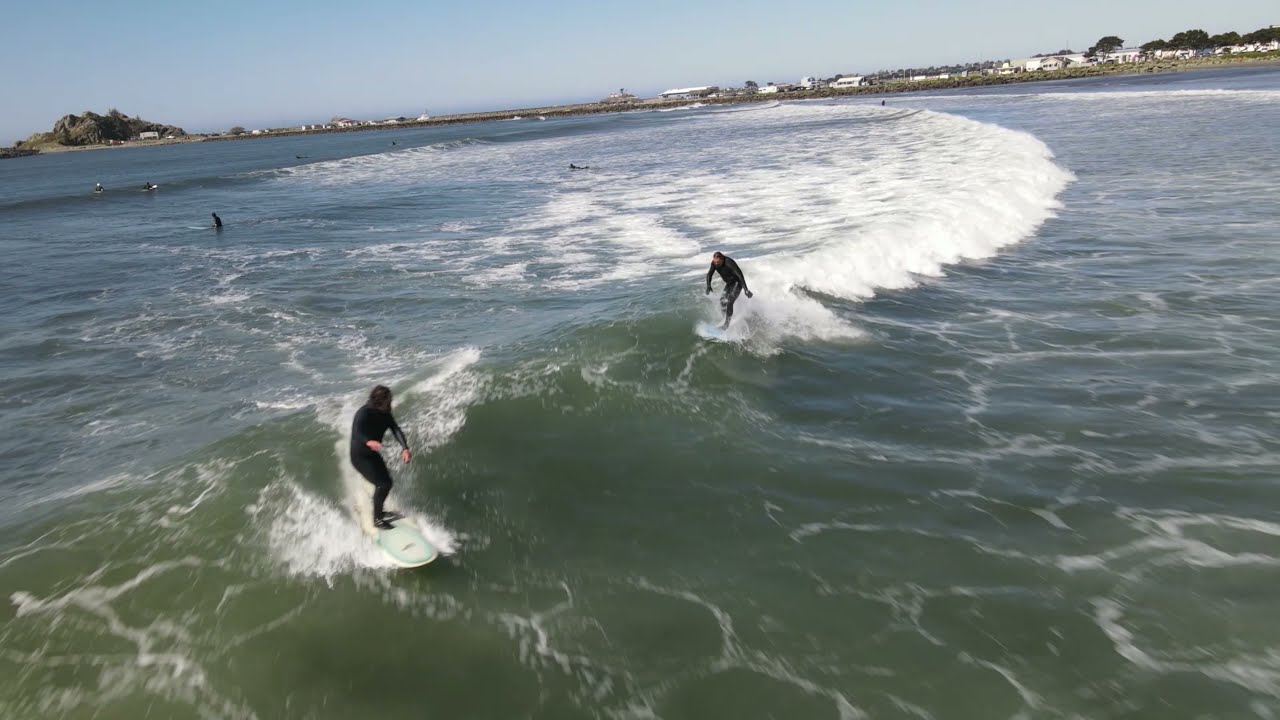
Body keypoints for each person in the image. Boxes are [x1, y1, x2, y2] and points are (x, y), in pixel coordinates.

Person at [350, 385, 412, 529]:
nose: (390, 404)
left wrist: (405, 448)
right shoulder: (363, 413)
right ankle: (377, 520)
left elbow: (395, 429)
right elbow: (357, 431)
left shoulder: (385, 413)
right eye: (388, 402)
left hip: (372, 455)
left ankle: (379, 512)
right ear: (379, 402)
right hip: (360, 457)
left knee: (387, 483)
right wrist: (368, 441)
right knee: (383, 484)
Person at [705, 251, 753, 329]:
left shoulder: (729, 263)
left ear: (722, 259)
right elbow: (709, 274)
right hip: (730, 283)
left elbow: (740, 275)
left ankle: (727, 324)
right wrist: (708, 286)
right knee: (722, 301)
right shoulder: (714, 263)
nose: (716, 264)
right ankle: (725, 318)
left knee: (730, 302)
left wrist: (746, 290)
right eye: (715, 262)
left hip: (738, 283)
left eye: (718, 262)